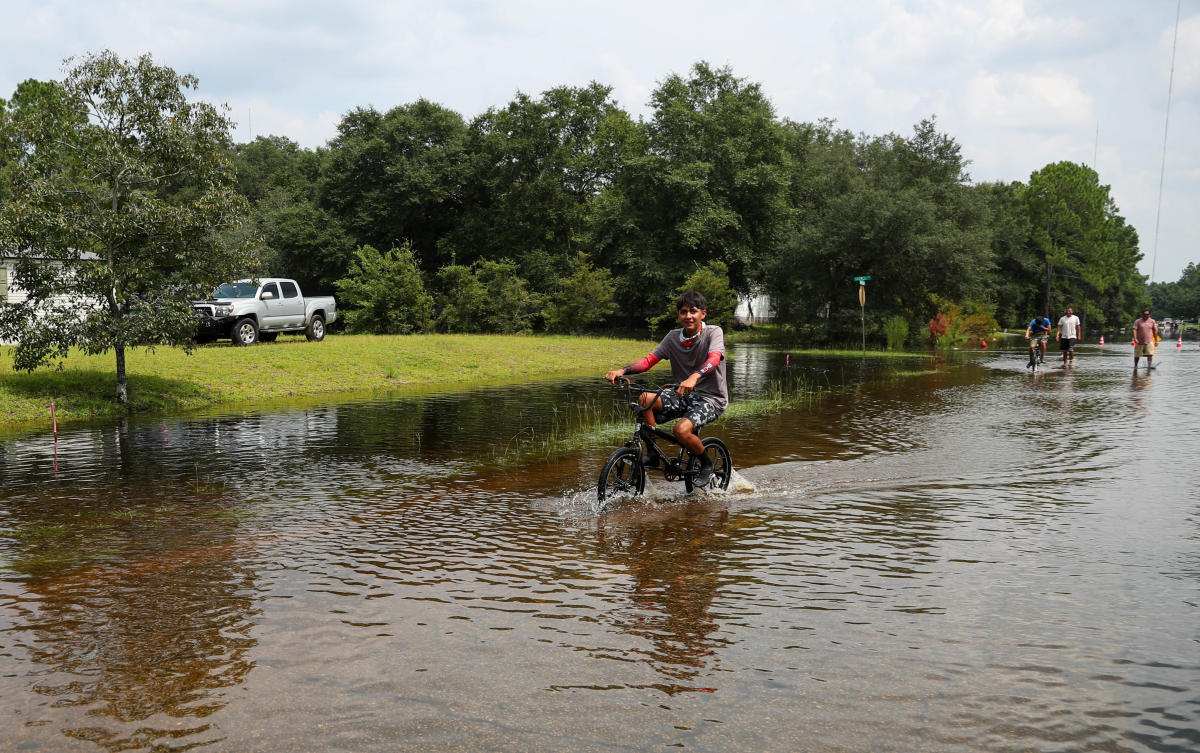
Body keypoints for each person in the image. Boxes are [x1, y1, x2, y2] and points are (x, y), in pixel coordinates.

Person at [605, 291, 728, 487]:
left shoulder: (714, 332)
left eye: (693, 311)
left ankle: (706, 464)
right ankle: (653, 454)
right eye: (683, 312)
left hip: (711, 399)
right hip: (682, 394)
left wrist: (694, 377)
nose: (688, 316)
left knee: (680, 430)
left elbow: (714, 359)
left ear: (703, 314)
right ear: (679, 315)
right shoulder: (672, 338)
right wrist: (622, 371)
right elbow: (648, 361)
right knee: (645, 399)